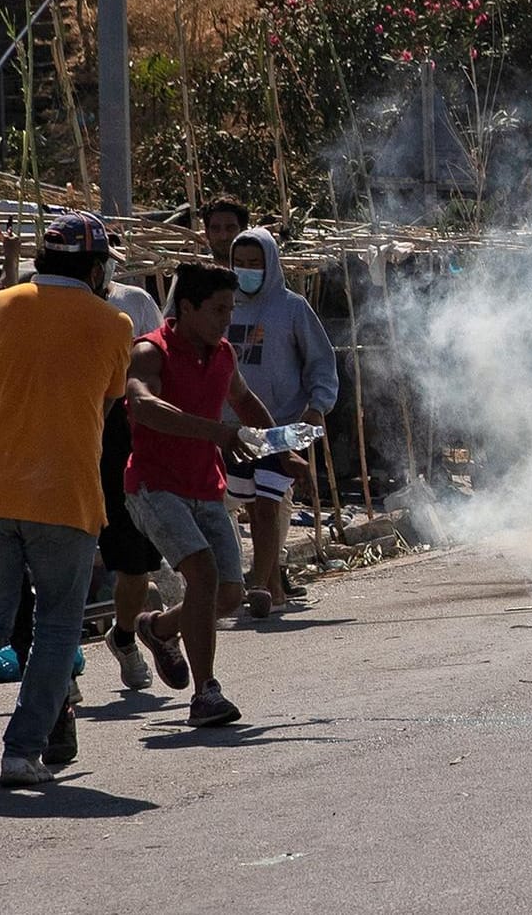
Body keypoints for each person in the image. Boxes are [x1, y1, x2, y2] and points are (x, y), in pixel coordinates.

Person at [0, 211, 134, 788]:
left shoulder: (1, 305)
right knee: (58, 624)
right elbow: (108, 404)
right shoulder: (113, 322)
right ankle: (22, 750)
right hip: (66, 494)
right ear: (93, 267)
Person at [126, 262, 280, 725]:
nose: (224, 320)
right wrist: (215, 432)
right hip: (155, 486)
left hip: (205, 485)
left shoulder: (224, 353)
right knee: (205, 575)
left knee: (230, 595)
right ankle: (205, 693)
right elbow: (143, 405)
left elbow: (245, 402)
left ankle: (159, 627)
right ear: (187, 307)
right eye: (217, 310)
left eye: (230, 310)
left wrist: (278, 448)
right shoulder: (149, 351)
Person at [226, 228, 338, 616]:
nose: (246, 271)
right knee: (248, 507)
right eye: (240, 263)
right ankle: (270, 584)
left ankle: (261, 584)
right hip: (232, 428)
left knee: (268, 504)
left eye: (255, 264)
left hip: (283, 427)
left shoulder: (292, 308)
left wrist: (316, 408)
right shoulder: (223, 306)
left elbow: (321, 364)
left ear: (271, 264)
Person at [99, 266, 166, 692]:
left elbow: (161, 363)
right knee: (56, 561)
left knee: (134, 563)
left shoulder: (133, 303)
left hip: (122, 439)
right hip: (63, 439)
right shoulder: (38, 303)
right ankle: (58, 671)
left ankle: (125, 636)